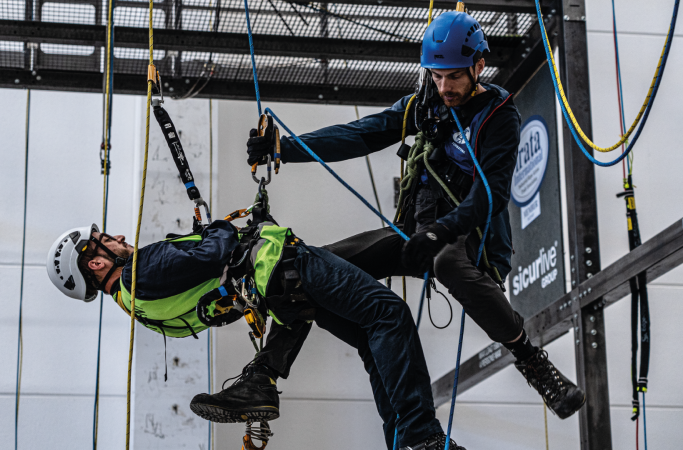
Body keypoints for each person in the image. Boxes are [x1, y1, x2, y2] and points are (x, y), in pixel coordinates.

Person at [241, 9, 586, 432]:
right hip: (413, 231)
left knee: (444, 261)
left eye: (454, 77)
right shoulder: (423, 104)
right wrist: (284, 149)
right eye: (436, 76)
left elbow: (491, 195)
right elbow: (362, 133)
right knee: (308, 267)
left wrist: (443, 230)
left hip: (465, 234)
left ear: (479, 66)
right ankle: (263, 376)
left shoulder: (497, 115)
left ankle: (532, 361)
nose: (444, 87)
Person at [47, 216, 466, 449]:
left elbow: (208, 301)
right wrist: (219, 226)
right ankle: (421, 438)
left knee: (372, 342)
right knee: (387, 314)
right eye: (104, 240)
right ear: (97, 264)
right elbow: (214, 251)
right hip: (285, 266)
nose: (117, 237)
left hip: (275, 291)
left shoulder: (141, 308)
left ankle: (405, 443)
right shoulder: (140, 271)